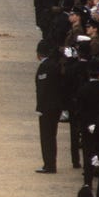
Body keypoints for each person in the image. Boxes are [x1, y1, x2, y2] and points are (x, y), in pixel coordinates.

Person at [35, 39, 63, 174]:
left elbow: (42, 89)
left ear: (39, 54)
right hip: (56, 106)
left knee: (46, 137)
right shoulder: (56, 65)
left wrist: (39, 107)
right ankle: (51, 162)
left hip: (47, 108)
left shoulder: (45, 67)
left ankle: (49, 164)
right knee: (52, 135)